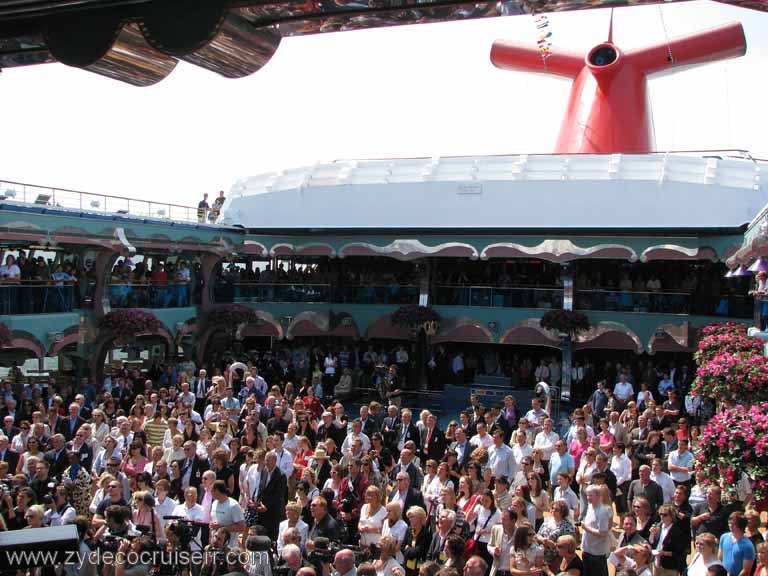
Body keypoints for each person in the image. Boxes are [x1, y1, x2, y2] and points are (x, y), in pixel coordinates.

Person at [581, 484, 612, 576]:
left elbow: (603, 533)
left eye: (591, 495)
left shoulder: (602, 512)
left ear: (598, 495)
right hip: (587, 550)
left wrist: (586, 528)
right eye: (587, 495)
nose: (588, 498)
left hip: (597, 554)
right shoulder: (590, 507)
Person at [648, 504, 686, 576]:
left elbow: (679, 553)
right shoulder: (658, 527)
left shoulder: (676, 531)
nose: (662, 517)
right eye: (660, 514)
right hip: (656, 564)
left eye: (665, 515)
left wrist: (664, 553)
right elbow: (652, 543)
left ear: (672, 516)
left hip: (669, 566)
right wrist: (652, 534)